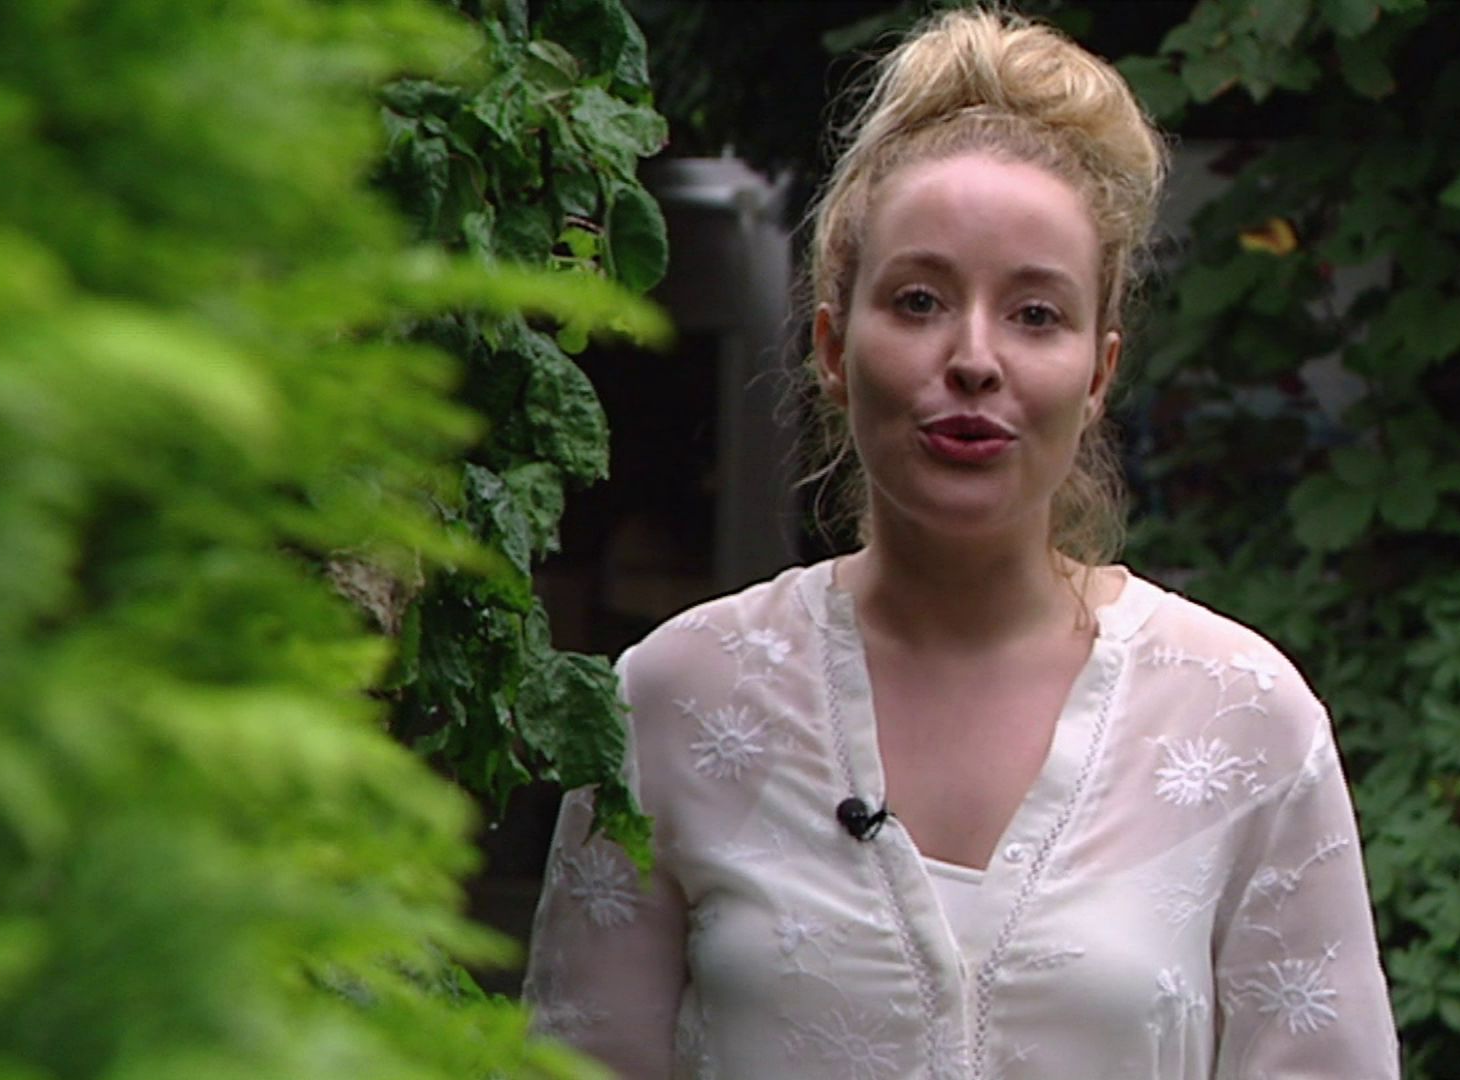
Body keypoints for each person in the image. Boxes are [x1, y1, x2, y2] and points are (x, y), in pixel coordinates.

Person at [522, 7, 1399, 1078]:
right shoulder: (672, 702)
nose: (974, 358)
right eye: (921, 300)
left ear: (1099, 372)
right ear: (833, 345)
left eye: (1035, 314)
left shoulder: (1241, 720)